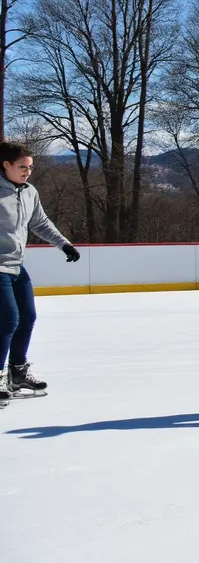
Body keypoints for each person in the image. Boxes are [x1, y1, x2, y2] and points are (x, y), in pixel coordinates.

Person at [0, 143, 79, 408]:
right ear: (6, 165)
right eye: (22, 167)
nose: (28, 172)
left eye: (30, 167)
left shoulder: (29, 192)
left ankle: (17, 373)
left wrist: (64, 244)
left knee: (28, 317)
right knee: (8, 319)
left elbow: (40, 222)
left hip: (16, 265)